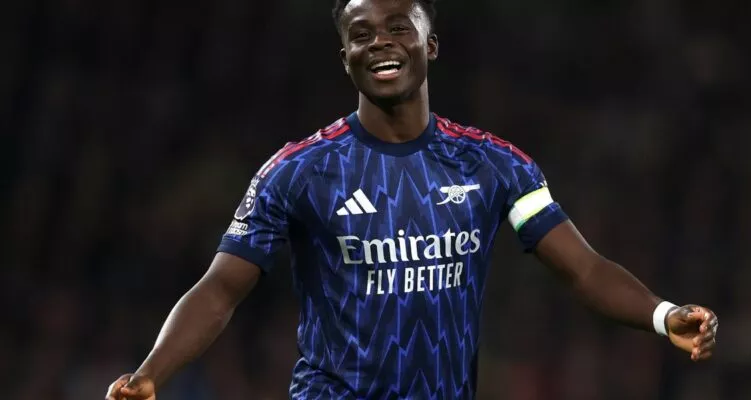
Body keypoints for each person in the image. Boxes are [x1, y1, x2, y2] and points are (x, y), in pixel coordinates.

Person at [106, 0, 719, 398]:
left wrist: (663, 315)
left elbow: (582, 268)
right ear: (345, 57)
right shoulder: (297, 172)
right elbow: (220, 288)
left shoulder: (494, 164)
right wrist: (151, 373)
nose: (380, 42)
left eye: (399, 27)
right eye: (361, 34)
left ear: (430, 45)